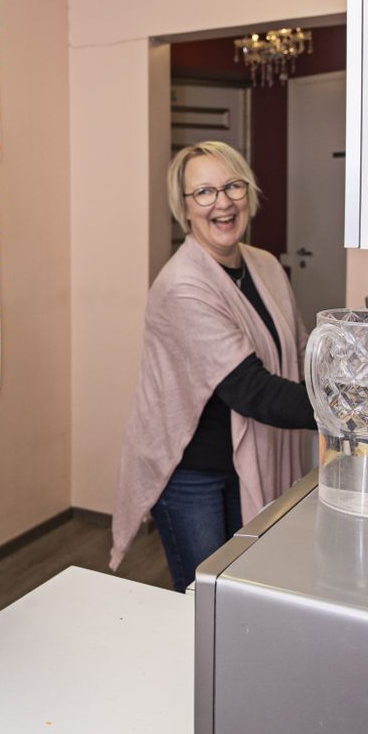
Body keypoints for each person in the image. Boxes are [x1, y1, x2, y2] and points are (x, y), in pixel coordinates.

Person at [111, 140, 314, 591]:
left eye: (232, 186)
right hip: (193, 471)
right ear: (184, 208)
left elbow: (301, 354)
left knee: (252, 584)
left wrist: (363, 381)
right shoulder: (182, 285)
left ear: (248, 192)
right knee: (207, 599)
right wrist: (351, 412)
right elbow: (252, 391)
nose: (222, 203)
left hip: (253, 457)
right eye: (203, 192)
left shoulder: (264, 265)